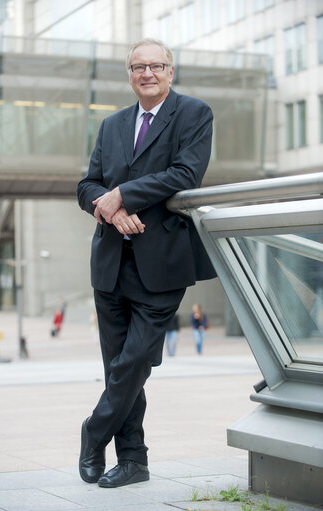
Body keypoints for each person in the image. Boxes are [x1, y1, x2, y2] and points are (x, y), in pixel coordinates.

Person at [77, 37, 216, 489]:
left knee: (133, 362)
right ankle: (133, 460)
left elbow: (185, 173)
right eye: (139, 67)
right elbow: (87, 186)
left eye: (156, 65)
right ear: (130, 75)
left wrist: (123, 194)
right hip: (111, 262)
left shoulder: (194, 114)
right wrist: (109, 204)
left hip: (162, 262)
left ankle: (93, 431)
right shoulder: (112, 124)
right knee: (117, 363)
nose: (147, 73)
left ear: (170, 72)